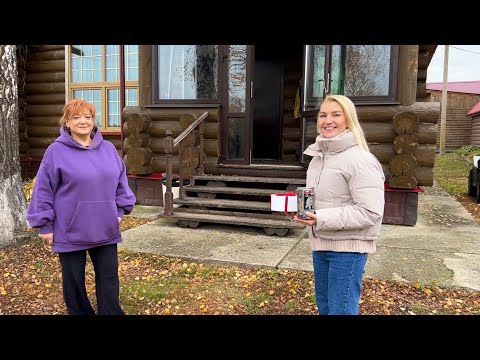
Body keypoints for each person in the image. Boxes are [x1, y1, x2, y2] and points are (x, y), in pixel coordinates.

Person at [26, 98, 136, 315]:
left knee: (109, 279)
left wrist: (120, 211)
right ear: (66, 122)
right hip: (69, 229)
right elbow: (43, 189)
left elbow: (120, 181)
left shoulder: (107, 149)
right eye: (76, 117)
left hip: (105, 227)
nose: (83, 122)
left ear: (94, 121)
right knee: (74, 282)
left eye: (88, 117)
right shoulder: (55, 152)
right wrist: (45, 225)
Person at [292, 94, 385, 315]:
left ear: (348, 119)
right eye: (323, 115)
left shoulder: (360, 160)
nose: (328, 120)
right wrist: (302, 212)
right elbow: (321, 200)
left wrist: (321, 218)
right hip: (321, 243)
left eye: (336, 114)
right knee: (325, 308)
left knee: (340, 311)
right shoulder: (318, 158)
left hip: (347, 250)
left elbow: (370, 212)